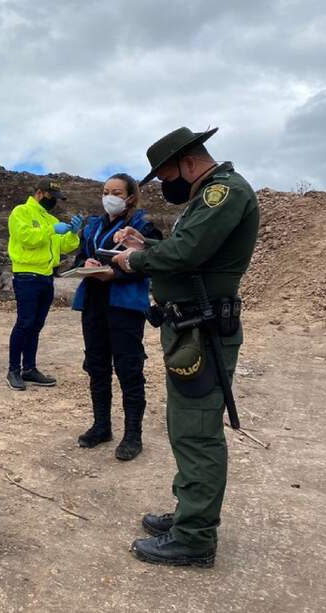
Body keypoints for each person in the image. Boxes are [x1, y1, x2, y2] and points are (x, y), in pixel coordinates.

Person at [111, 127, 259, 567]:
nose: (163, 184)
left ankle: (195, 538)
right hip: (190, 326)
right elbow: (184, 250)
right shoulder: (208, 194)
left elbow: (188, 253)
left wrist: (135, 259)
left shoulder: (223, 193)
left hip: (204, 329)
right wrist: (149, 246)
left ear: (187, 163)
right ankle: (187, 514)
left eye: (165, 174)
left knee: (197, 430)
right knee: (185, 426)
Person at [71, 173, 162, 461]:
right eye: (105, 191)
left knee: (128, 368)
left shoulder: (143, 228)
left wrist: (116, 273)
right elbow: (78, 259)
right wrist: (86, 262)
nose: (109, 196)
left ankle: (133, 435)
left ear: (130, 197)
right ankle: (101, 426)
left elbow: (151, 263)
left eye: (116, 192)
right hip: (94, 304)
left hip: (124, 307)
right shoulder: (93, 226)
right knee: (96, 365)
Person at [6, 179, 83, 390]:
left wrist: (73, 233)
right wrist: (51, 231)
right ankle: (13, 370)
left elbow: (64, 246)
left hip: (46, 276)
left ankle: (29, 368)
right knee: (25, 322)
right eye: (52, 197)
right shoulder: (20, 212)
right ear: (40, 193)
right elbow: (26, 238)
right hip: (26, 275)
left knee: (36, 324)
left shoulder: (50, 219)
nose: (55, 202)